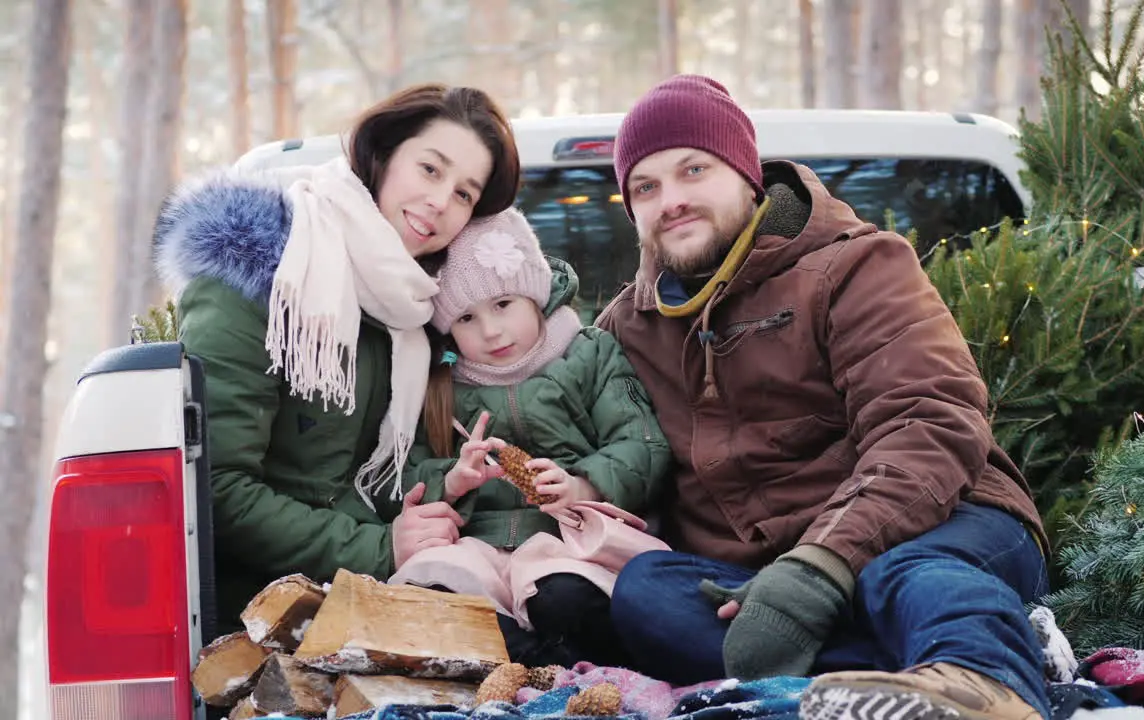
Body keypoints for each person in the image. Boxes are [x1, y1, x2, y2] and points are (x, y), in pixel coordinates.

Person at [595, 74, 1052, 720]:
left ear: (745, 174)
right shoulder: (627, 329)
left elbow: (929, 422)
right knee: (645, 591)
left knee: (898, 575)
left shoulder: (856, 266)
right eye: (646, 186)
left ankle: (983, 683)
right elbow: (575, 441)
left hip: (942, 521)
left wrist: (822, 562)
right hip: (762, 577)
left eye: (692, 170)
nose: (671, 200)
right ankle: (892, 682)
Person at [152, 84, 521, 636]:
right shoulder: (261, 279)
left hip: (365, 602)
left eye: (465, 194)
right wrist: (381, 546)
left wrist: (442, 495)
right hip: (260, 621)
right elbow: (216, 490)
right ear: (383, 155)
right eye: (430, 169)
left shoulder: (409, 315)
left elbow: (362, 479)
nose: (442, 201)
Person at [386, 207, 671, 668]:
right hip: (476, 542)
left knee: (563, 598)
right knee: (435, 590)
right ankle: (529, 666)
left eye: (503, 305)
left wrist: (583, 485)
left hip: (565, 539)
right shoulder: (440, 383)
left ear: (535, 297)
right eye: (466, 319)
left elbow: (642, 444)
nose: (491, 331)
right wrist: (452, 481)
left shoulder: (588, 354)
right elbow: (400, 469)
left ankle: (554, 663)